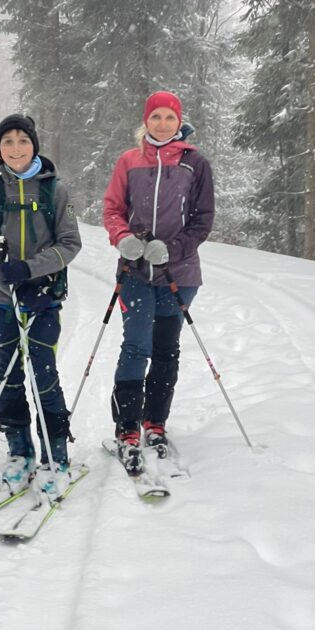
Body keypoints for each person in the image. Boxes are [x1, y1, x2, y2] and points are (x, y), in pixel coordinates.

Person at [0, 114, 82, 500]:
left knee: (43, 372)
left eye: (22, 140)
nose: (15, 148)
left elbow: (70, 244)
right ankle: (19, 452)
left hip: (45, 299)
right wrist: (7, 280)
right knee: (8, 374)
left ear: (34, 145)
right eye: (8, 142)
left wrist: (32, 273)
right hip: (2, 301)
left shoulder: (55, 190)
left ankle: (56, 454)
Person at [103, 91, 214, 473]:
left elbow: (203, 219)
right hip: (134, 272)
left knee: (166, 349)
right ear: (146, 121)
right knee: (136, 347)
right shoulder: (129, 161)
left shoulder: (194, 163)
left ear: (178, 121)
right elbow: (113, 209)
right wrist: (124, 238)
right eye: (156, 117)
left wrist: (172, 249)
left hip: (178, 275)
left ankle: (155, 423)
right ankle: (127, 429)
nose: (162, 124)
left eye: (169, 117)